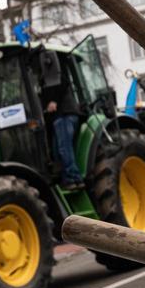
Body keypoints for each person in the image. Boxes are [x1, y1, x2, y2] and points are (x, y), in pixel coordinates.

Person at [41, 55, 85, 190]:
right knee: (56, 149)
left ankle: (74, 178)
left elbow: (63, 83)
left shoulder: (55, 75)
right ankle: (65, 179)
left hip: (65, 113)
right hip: (58, 117)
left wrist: (53, 100)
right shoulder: (44, 79)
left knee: (64, 147)